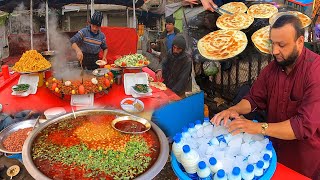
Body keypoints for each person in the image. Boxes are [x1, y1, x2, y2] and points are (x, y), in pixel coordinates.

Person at [211, 15, 320, 179]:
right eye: (273, 43)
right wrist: (233, 109)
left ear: (299, 42)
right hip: (272, 152)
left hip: (302, 161)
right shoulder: (272, 69)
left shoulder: (315, 71)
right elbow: (254, 98)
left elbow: (303, 126)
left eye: (281, 45)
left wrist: (258, 127)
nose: (274, 51)